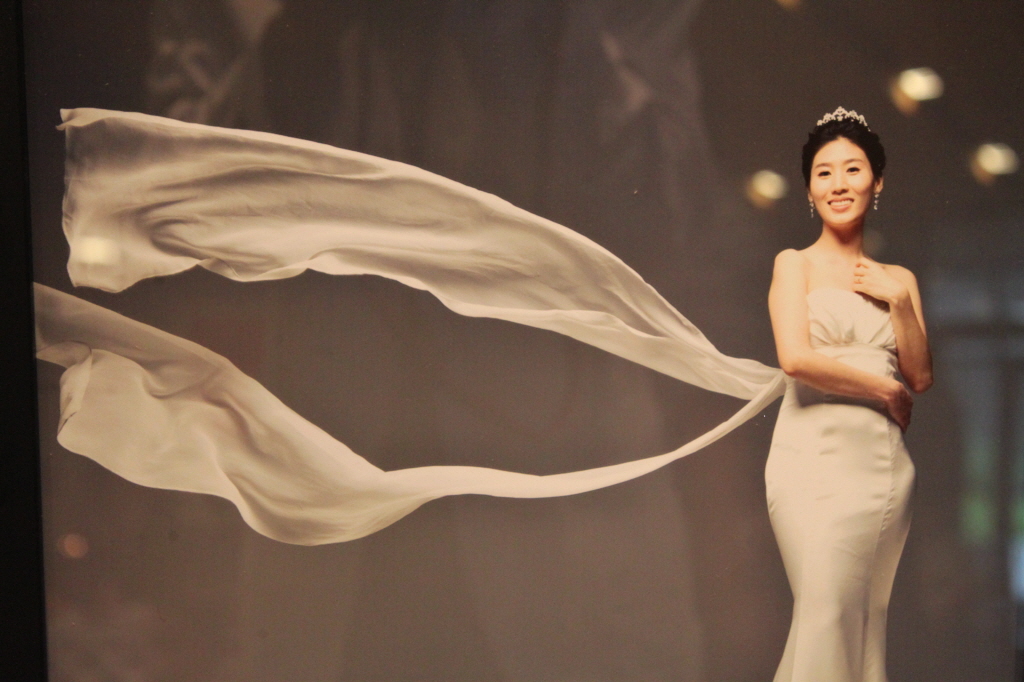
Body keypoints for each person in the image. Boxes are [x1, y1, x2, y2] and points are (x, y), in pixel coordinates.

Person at [766, 107, 933, 682]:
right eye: (824, 173)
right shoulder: (794, 265)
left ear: (877, 181)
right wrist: (882, 387)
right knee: (825, 612)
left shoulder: (899, 279)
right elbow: (795, 359)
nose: (839, 184)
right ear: (809, 190)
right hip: (809, 458)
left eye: (853, 169)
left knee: (861, 622)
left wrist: (899, 301)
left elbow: (920, 377)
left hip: (881, 468)